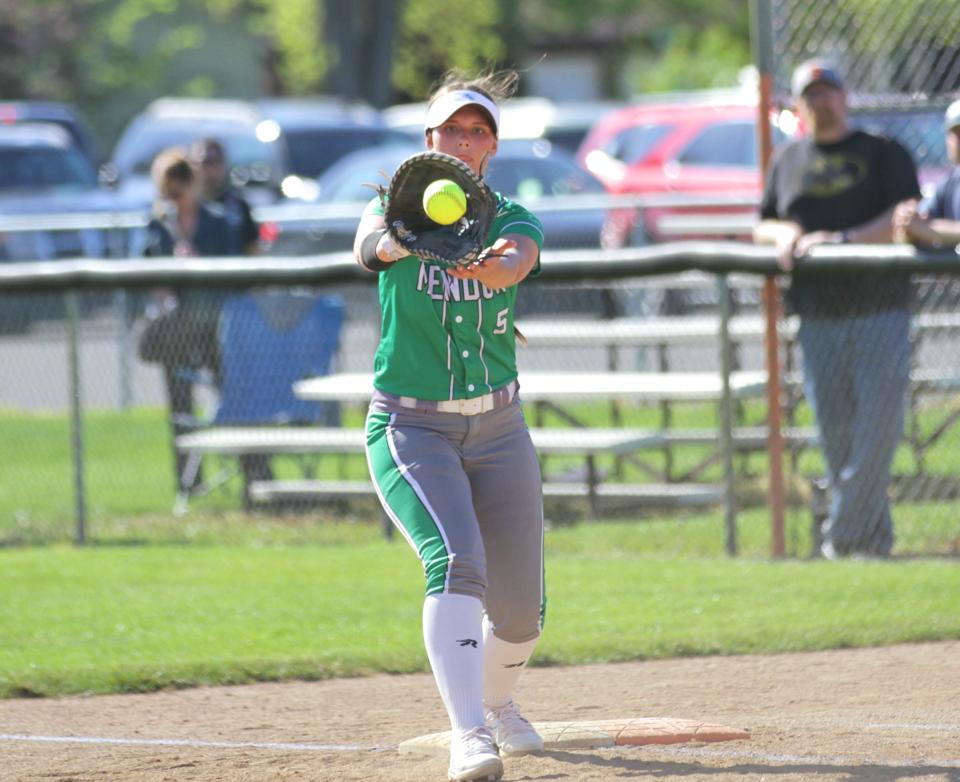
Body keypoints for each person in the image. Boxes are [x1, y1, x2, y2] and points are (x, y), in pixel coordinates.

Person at [352, 70, 545, 782]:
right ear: (429, 140)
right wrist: (405, 239)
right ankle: (469, 733)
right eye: (452, 130)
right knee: (457, 563)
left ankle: (495, 703)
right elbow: (368, 247)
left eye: (478, 131)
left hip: (499, 427)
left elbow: (513, 265)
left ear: (492, 146)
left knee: (522, 611)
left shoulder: (513, 217)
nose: (464, 142)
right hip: (412, 429)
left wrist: (482, 260)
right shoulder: (390, 206)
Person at [754, 60, 922, 559]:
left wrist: (842, 240)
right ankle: (870, 546)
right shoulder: (786, 160)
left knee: (878, 433)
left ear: (845, 98)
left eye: (829, 93)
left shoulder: (882, 152)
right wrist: (789, 235)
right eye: (812, 95)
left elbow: (904, 215)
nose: (822, 102)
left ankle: (841, 539)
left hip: (879, 309)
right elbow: (764, 223)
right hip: (818, 315)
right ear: (801, 106)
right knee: (837, 440)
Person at [138, 148, 233, 493]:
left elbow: (234, 271)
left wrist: (199, 259)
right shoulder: (157, 225)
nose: (173, 199)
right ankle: (188, 484)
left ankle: (254, 479)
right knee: (180, 409)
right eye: (168, 192)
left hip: (216, 327)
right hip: (177, 329)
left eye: (179, 190)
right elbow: (146, 276)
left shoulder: (217, 220)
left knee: (236, 398)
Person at [893, 99, 960, 247]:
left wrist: (930, 230)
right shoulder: (951, 182)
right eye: (957, 133)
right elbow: (909, 233)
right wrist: (907, 221)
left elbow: (926, 228)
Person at [188, 137, 260, 256]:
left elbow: (253, 249)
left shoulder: (238, 207)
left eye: (214, 161)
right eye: (203, 162)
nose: (208, 169)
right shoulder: (185, 207)